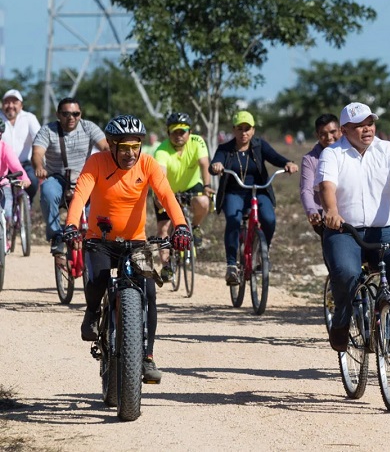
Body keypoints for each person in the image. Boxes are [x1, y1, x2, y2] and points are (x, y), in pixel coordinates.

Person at [61, 114, 192, 384]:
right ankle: (92, 313)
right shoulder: (96, 163)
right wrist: (72, 224)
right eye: (124, 148)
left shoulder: (148, 164)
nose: (130, 154)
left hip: (136, 244)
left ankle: (147, 357)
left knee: (150, 294)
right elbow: (80, 195)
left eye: (135, 147)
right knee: (97, 280)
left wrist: (180, 226)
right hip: (100, 240)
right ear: (111, 145)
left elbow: (166, 195)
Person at [317, 102, 390, 352]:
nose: (367, 129)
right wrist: (332, 212)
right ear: (345, 129)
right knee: (346, 273)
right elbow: (327, 186)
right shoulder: (332, 153)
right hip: (345, 232)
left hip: (384, 230)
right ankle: (342, 320)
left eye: (370, 123)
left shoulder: (387, 149)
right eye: (359, 125)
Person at [209, 111, 298, 284]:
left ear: (253, 130)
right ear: (233, 130)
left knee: (269, 219)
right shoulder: (225, 149)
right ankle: (232, 266)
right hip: (234, 192)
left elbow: (275, 157)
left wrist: (287, 163)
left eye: (247, 129)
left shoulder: (259, 146)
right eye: (240, 128)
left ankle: (262, 253)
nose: (244, 133)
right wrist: (216, 166)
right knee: (234, 221)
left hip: (259, 190)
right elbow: (215, 164)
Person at [32, 97, 108, 262]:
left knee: (96, 205)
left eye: (75, 114)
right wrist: (39, 166)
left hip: (84, 178)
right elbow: (37, 153)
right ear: (58, 114)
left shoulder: (89, 127)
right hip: (58, 178)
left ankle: (93, 239)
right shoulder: (48, 130)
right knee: (47, 191)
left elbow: (105, 147)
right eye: (66, 114)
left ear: (80, 114)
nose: (71, 117)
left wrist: (110, 160)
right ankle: (56, 237)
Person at [153, 112, 215, 280]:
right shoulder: (161, 150)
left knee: (203, 202)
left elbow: (204, 164)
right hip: (167, 190)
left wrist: (208, 186)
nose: (178, 136)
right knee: (164, 228)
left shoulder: (197, 142)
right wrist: (161, 198)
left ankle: (194, 226)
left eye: (182, 131)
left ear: (190, 132)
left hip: (191, 185)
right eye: (174, 132)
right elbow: (161, 176)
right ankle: (166, 266)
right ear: (168, 133)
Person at [299, 113, 341, 236]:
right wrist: (311, 211)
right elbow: (306, 189)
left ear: (341, 131)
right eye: (323, 134)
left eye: (333, 132)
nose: (329, 137)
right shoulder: (310, 159)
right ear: (317, 135)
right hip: (325, 215)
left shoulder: (350, 152)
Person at [1, 89, 41, 200]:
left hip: (24, 164)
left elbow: (39, 139)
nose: (10, 105)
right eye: (7, 102)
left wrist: (41, 162)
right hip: (3, 166)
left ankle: (28, 205)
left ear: (21, 105)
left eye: (14, 102)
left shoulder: (29, 118)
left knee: (32, 181)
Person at [0, 119, 30, 247]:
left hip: (2, 184)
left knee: (6, 212)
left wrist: (25, 179)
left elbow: (16, 167)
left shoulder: (5, 148)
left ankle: (5, 235)